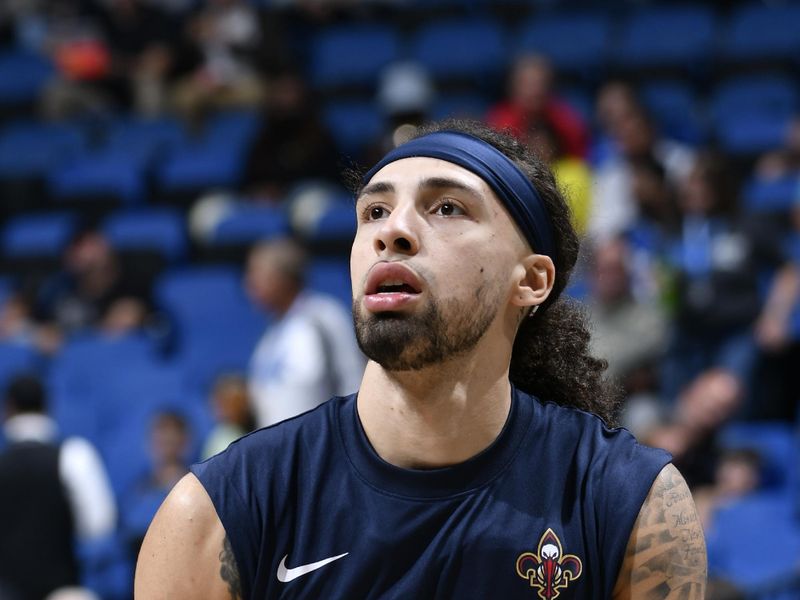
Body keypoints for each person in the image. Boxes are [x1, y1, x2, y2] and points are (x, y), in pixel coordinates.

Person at [135, 120, 707, 599]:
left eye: (447, 208)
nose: (395, 232)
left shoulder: (631, 502)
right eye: (374, 213)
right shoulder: (214, 514)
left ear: (531, 280)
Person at [0, 373, 116, 600]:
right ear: (47, 406)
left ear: (9, 408)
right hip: (62, 589)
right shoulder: (74, 457)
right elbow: (99, 525)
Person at [245, 237, 365, 427]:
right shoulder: (270, 336)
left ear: (284, 277)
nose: (249, 282)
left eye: (257, 273)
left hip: (324, 444)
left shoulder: (323, 317)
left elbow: (352, 378)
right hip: (282, 449)